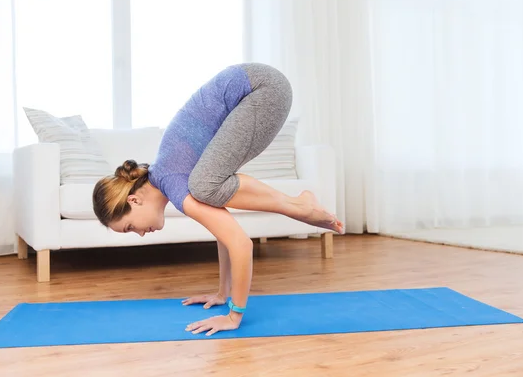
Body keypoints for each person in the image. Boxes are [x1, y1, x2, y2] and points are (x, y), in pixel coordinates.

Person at [92, 62, 344, 337]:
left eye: (130, 227)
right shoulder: (171, 177)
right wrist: (222, 293)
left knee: (203, 187)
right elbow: (225, 233)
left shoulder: (175, 183)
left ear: (134, 201)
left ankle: (298, 205)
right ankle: (298, 204)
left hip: (261, 89)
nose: (140, 234)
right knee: (206, 187)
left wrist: (234, 315)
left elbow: (241, 245)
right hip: (259, 87)